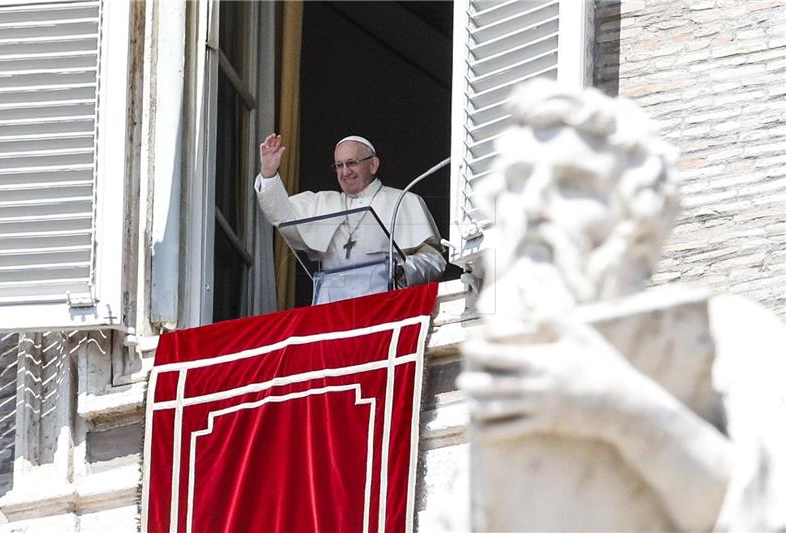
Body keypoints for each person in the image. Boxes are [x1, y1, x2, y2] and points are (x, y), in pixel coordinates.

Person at [439, 80, 786, 531]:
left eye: (572, 183)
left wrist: (620, 409)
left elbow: (767, 513)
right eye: (519, 185)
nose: (535, 207)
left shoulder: (733, 335)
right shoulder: (514, 378)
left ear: (640, 214)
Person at [255, 133, 445, 303]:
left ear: (373, 165)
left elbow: (434, 260)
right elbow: (281, 215)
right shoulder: (322, 203)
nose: (345, 172)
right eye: (339, 165)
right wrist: (269, 173)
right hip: (331, 308)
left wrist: (404, 269)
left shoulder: (403, 200)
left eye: (352, 163)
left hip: (384, 305)